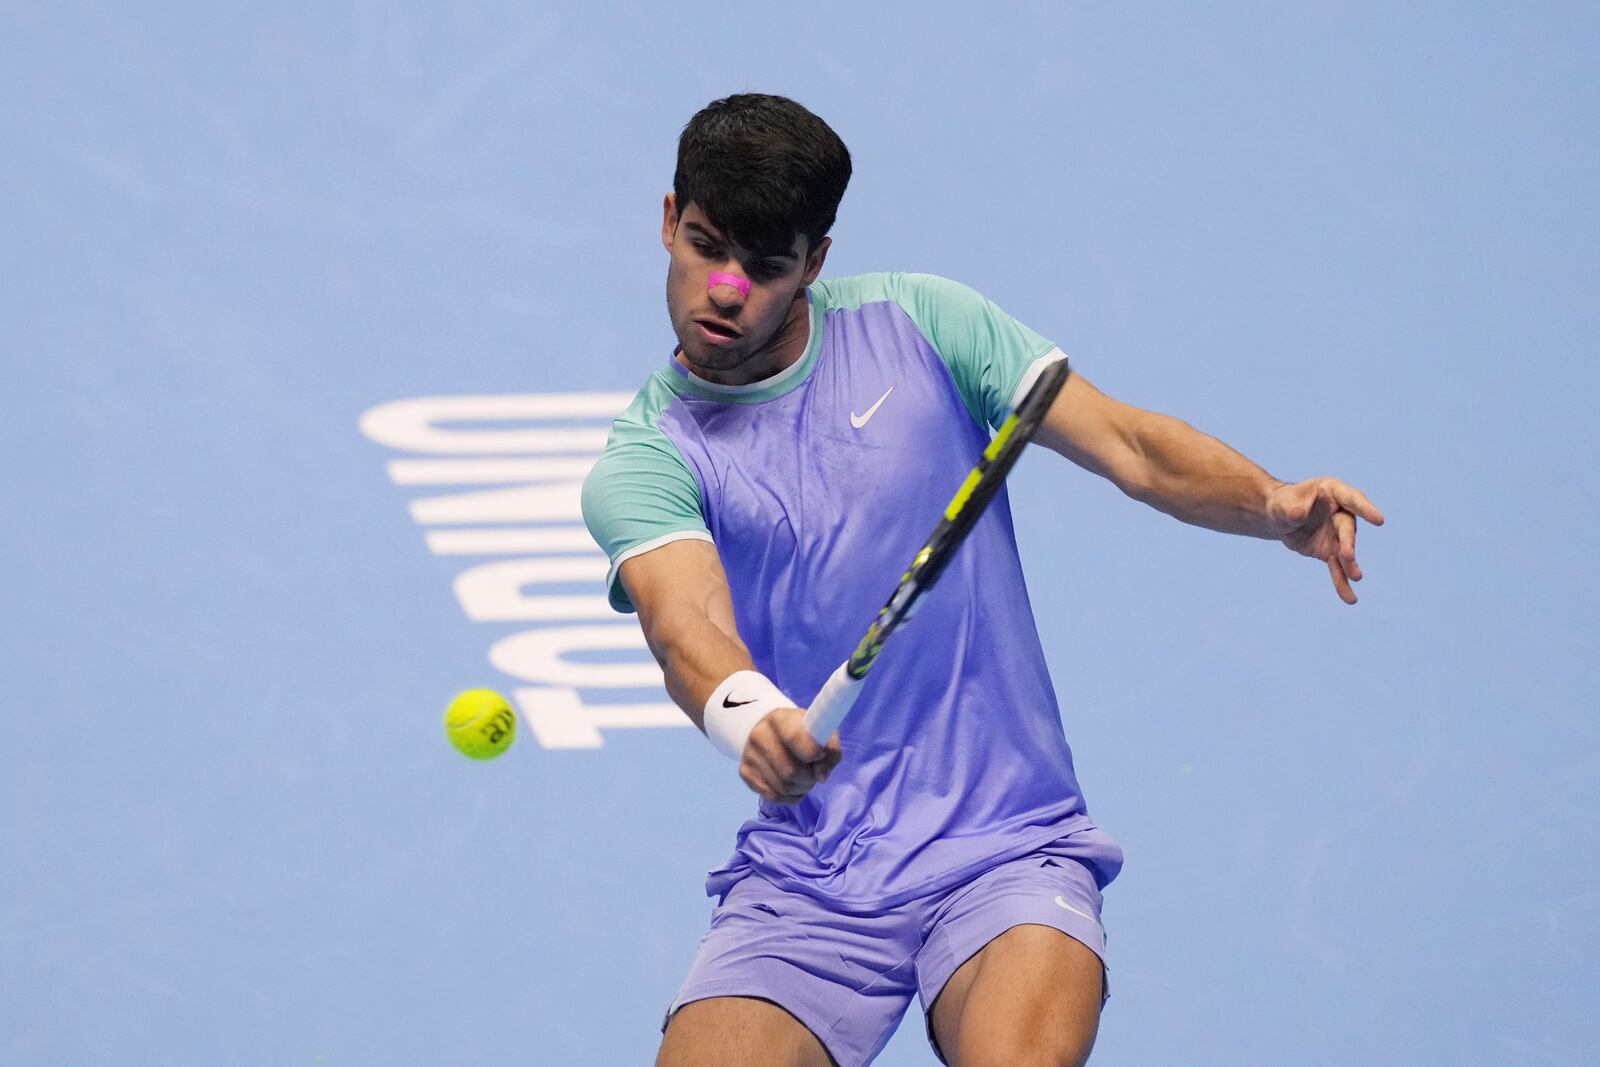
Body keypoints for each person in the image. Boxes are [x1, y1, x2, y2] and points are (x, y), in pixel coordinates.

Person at [581, 94, 1383, 1067]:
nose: (726, 288)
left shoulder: (923, 322)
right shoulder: (647, 456)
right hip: (811, 873)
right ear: (669, 217)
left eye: (765, 265)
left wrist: (1268, 501)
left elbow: (1128, 443)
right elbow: (685, 622)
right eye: (706, 244)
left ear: (815, 263)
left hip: (1004, 841)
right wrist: (747, 715)